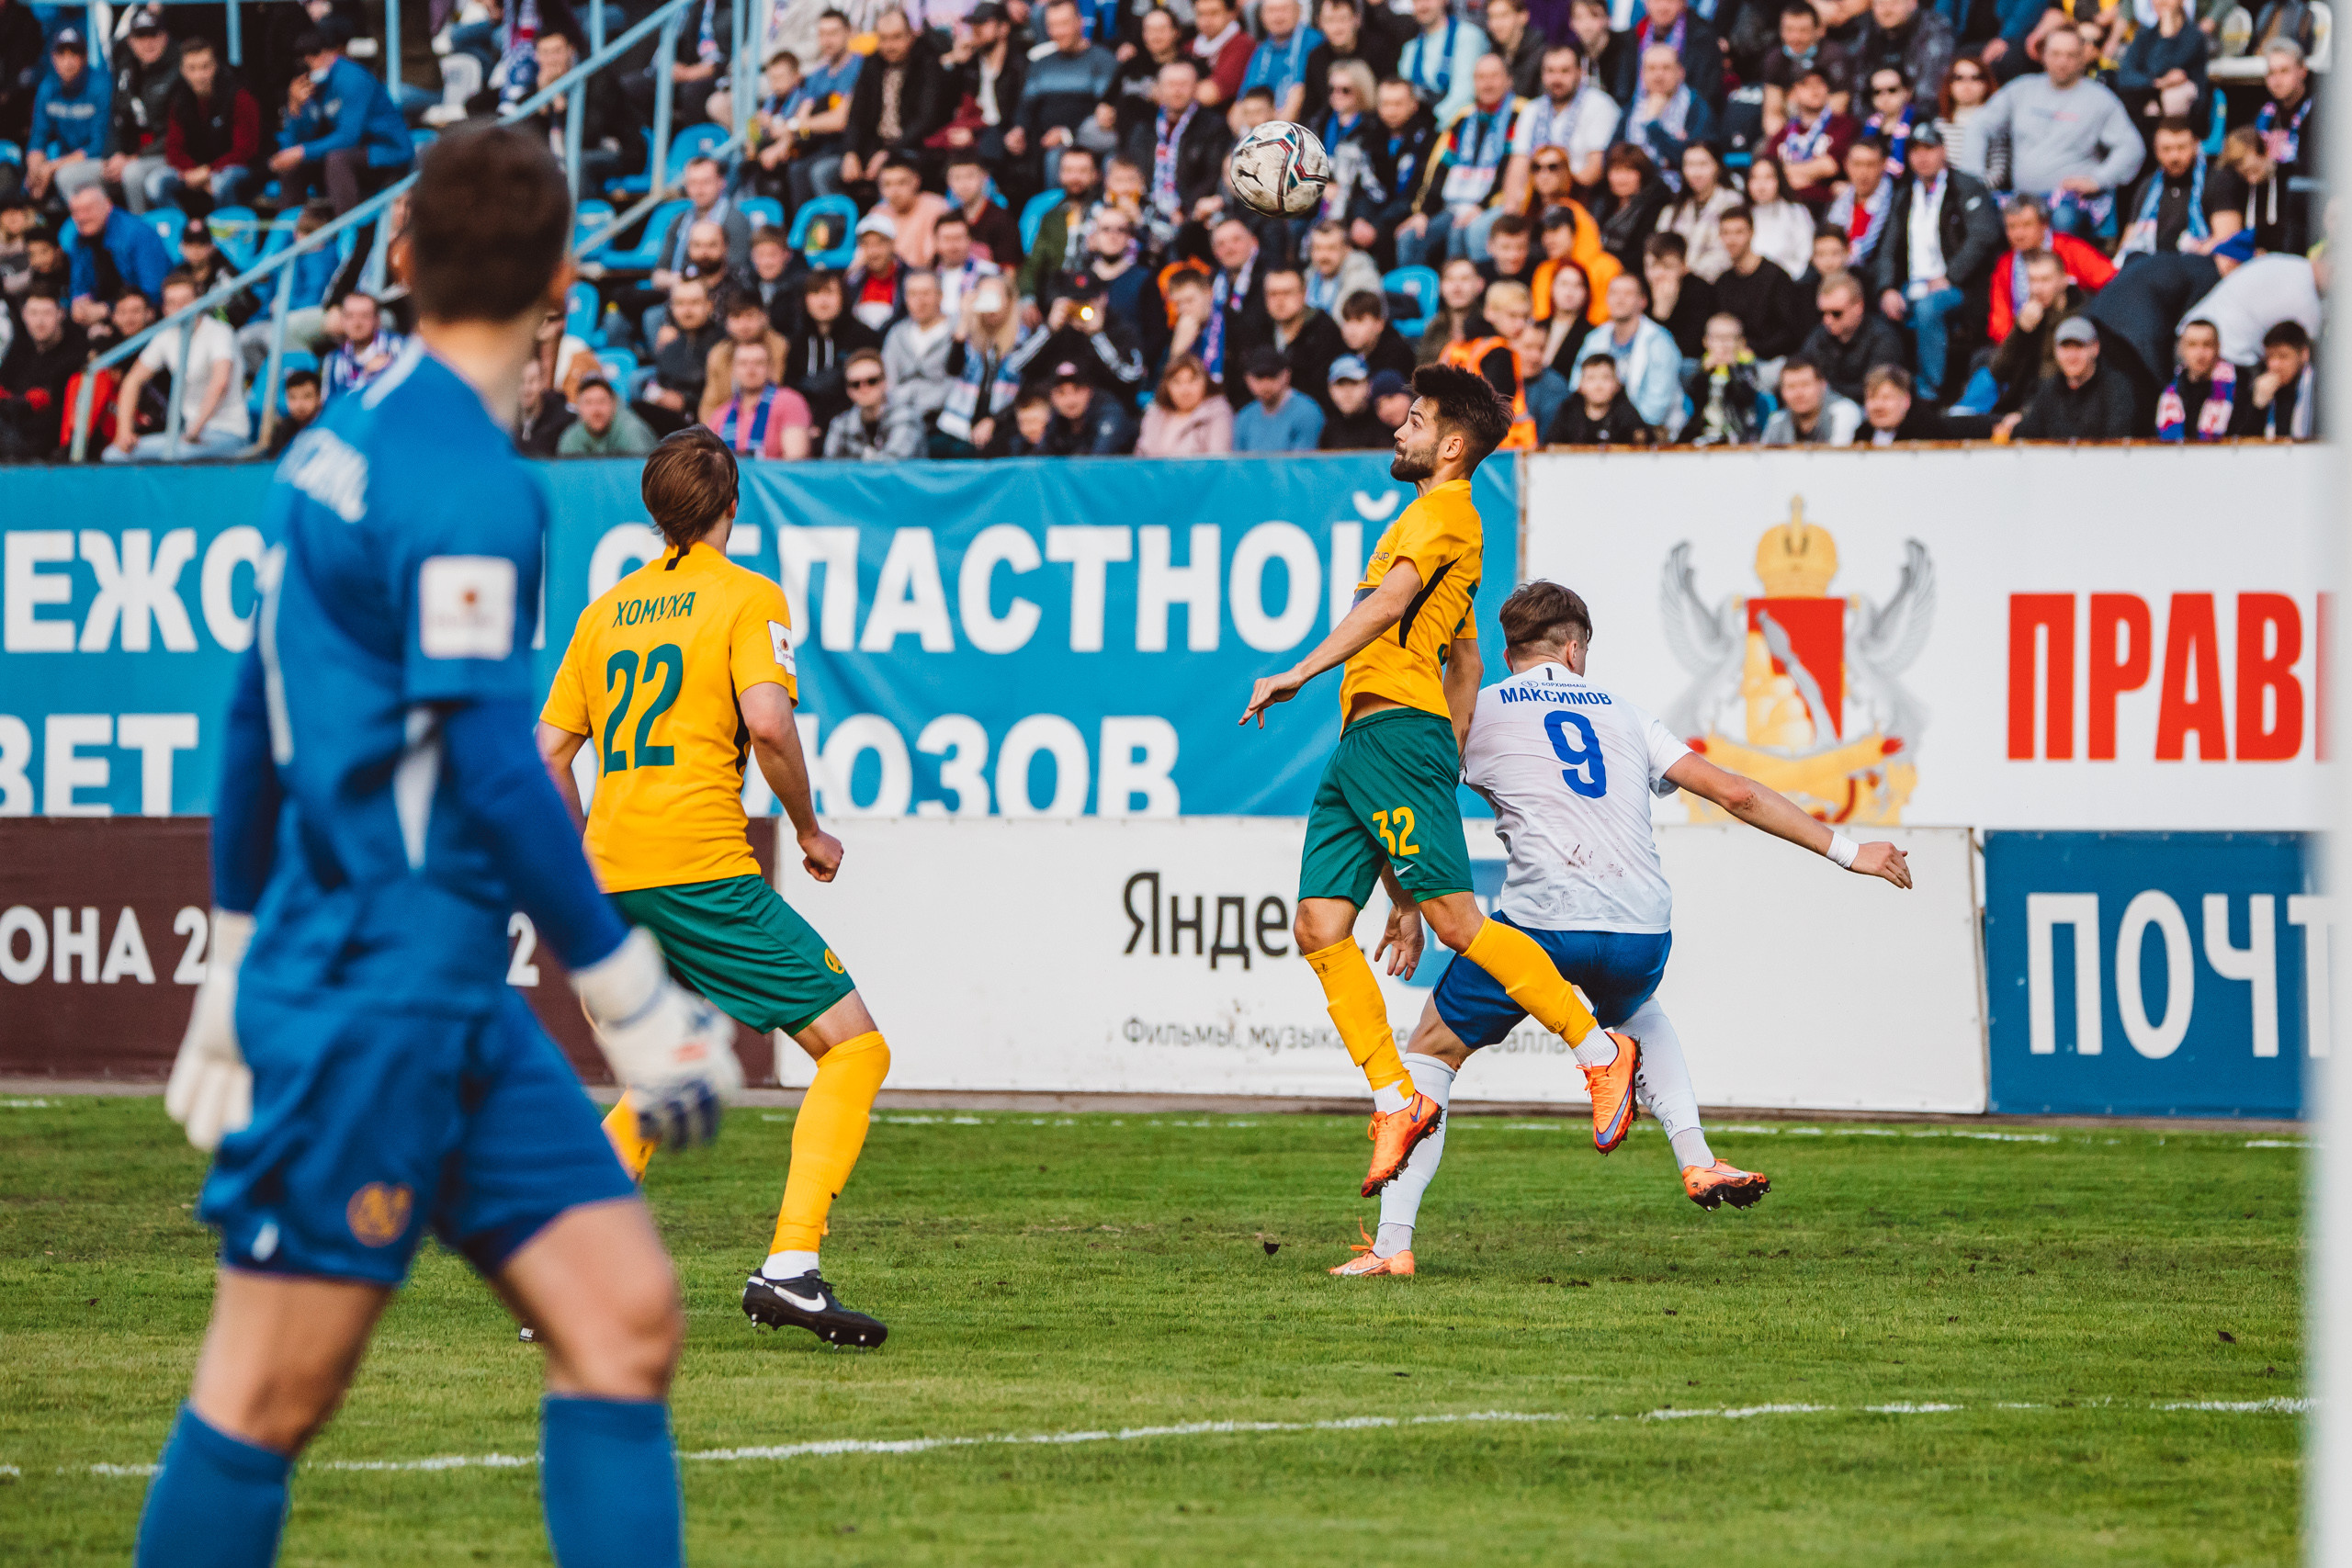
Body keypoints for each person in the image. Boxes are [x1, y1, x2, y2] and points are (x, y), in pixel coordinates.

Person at [140, 125, 741, 1568]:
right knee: (266, 1388)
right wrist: (632, 995)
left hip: (437, 994)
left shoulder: (335, 440)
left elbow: (247, 710)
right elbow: (488, 755)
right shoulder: (469, 482)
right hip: (375, 992)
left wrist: (226, 956)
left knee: (623, 1315)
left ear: (399, 259)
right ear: (563, 279)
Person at [1338, 581, 1912, 1276]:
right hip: (1642, 928)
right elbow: (1736, 791)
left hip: (1541, 925)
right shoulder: (1626, 713)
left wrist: (1405, 905)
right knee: (1635, 1008)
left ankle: (1393, 1244)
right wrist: (1854, 852)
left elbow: (1403, 791)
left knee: (1432, 1049)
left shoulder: (1478, 711)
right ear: (1575, 650)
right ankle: (1697, 1159)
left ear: (1511, 650)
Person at [538, 424, 889, 1348]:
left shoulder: (607, 610)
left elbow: (547, 754)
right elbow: (769, 722)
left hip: (615, 873)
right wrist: (809, 827)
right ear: (731, 505)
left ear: (656, 513)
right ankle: (792, 1266)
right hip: (699, 868)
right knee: (855, 1050)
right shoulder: (745, 595)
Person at [1240, 365, 1618, 1197]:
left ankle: (1597, 1048)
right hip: (1368, 739)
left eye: (1413, 421)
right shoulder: (1442, 520)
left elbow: (1387, 607)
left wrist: (1296, 671)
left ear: (1450, 444)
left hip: (1390, 730)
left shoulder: (1443, 511)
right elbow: (1468, 656)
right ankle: (1395, 1097)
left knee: (1458, 922)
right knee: (1318, 924)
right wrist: (1441, 761)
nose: (1398, 431)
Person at [1870, 121, 1999, 400]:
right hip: (1913, 284)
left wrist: (1950, 276)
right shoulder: (1905, 194)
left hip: (1959, 287)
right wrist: (1886, 288)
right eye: (1915, 151)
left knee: (1929, 308)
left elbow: (1984, 236)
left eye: (1929, 148)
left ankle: (1930, 390)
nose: (1922, 157)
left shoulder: (1965, 186)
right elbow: (1889, 247)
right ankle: (1890, 388)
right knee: (1881, 310)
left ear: (1943, 150)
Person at [1968, 29, 2142, 238]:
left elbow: (2132, 148)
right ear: (2044, 56)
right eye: (2056, 54)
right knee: (1983, 218)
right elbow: (1979, 124)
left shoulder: (2100, 100)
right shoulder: (2021, 89)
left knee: (2063, 219)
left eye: (2070, 55)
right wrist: (1973, 178)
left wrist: (2098, 179)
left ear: (2082, 58)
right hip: (2022, 200)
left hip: (2071, 204)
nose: (2062, 62)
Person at [103, 268, 249, 461]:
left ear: (200, 301)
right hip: (185, 436)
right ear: (165, 308)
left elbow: (220, 383)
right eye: (172, 303)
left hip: (228, 432)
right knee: (114, 455)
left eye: (185, 302)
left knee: (176, 454)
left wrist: (194, 431)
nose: (179, 309)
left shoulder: (220, 333)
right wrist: (124, 432)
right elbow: (133, 380)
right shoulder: (166, 335)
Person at [269, 24, 414, 215]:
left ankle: (348, 234)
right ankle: (286, 234)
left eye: (316, 55)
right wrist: (295, 109)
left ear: (329, 53)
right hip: (351, 154)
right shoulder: (311, 83)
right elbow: (297, 142)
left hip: (387, 152)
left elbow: (348, 137)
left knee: (336, 159)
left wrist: (301, 152)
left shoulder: (353, 78)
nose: (313, 62)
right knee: (294, 166)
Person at [1397, 51, 1522, 269]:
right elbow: (1439, 167)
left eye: (1494, 76)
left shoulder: (1520, 114)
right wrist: (1424, 213)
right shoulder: (1464, 117)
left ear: (1508, 80)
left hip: (1494, 205)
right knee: (1409, 237)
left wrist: (1482, 207)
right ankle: (1412, 300)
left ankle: (1459, 299)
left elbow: (1512, 170)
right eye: (1480, 77)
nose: (1487, 84)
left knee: (1460, 231)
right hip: (1454, 205)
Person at [1006, 0, 1117, 181]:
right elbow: (1026, 104)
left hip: (1083, 143)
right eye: (1052, 26)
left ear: (1080, 22)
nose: (1058, 32)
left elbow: (1103, 114)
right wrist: (1018, 129)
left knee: (1056, 158)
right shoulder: (1041, 64)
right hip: (1041, 140)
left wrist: (1067, 134)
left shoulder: (1102, 61)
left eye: (1064, 24)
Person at [1986, 193, 2114, 344]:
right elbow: (1999, 321)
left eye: (2026, 225)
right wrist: (2017, 337)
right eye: (2012, 227)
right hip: (2024, 343)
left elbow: (2112, 281)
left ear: (2044, 224)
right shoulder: (2005, 264)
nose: (2018, 234)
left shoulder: (2070, 249)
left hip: (2071, 338)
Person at [158, 38, 261, 218]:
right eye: (192, 68)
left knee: (221, 183)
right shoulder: (179, 98)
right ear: (183, 71)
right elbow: (173, 148)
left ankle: (226, 238)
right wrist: (192, 172)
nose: (200, 75)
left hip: (238, 168)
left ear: (215, 67)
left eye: (205, 66)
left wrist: (208, 172)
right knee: (156, 183)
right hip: (196, 170)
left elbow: (245, 151)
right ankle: (187, 236)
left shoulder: (239, 95)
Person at [842, 7, 948, 183]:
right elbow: (856, 114)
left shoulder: (927, 63)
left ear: (911, 36)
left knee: (891, 176)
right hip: (874, 146)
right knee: (824, 171)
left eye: (896, 37)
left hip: (914, 146)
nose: (889, 45)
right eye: (883, 39)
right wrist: (850, 152)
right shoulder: (871, 64)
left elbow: (926, 119)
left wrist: (890, 153)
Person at [1125, 57, 1229, 229]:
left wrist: (1185, 209)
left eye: (1183, 84)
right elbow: (1135, 169)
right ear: (1158, 89)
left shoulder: (1213, 126)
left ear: (1196, 87)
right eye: (1171, 84)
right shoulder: (1143, 126)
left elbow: (1213, 175)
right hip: (1145, 212)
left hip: (1193, 216)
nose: (1177, 90)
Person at [1502, 45, 1618, 201]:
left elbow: (1595, 169)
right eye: (1550, 71)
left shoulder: (1599, 105)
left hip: (1581, 198)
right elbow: (1518, 165)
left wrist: (1556, 194)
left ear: (1580, 72)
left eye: (1564, 71)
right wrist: (1512, 209)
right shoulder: (1532, 109)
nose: (1556, 79)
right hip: (1534, 200)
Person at [1573, 270, 1684, 429]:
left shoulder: (1660, 341)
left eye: (1628, 293)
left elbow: (1657, 408)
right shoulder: (1594, 338)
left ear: (1643, 301)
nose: (1620, 299)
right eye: (1614, 293)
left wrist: (1621, 429)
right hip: (1601, 429)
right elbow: (1578, 386)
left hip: (1652, 437)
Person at [2119, 118, 2236, 259]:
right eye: (2166, 149)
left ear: (2196, 145)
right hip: (2152, 266)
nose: (2174, 156)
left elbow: (2227, 242)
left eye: (2181, 147)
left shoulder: (2216, 180)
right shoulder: (2148, 186)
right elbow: (2128, 243)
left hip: (2197, 265)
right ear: (2156, 150)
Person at [2005, 313, 2133, 438]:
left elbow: (2117, 444)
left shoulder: (2117, 388)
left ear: (2095, 348)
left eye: (2079, 346)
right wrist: (2014, 427)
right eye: (2065, 347)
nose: (2071, 356)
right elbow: (2031, 431)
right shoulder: (2049, 389)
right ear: (2056, 351)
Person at [63, 183, 170, 333]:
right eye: (75, 212)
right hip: (106, 319)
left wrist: (108, 309)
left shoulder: (138, 233)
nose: (81, 217)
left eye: (88, 209)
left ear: (107, 204)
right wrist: (79, 302)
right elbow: (79, 283)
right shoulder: (79, 239)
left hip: (146, 318)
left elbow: (154, 290)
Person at [106, 8, 181, 215]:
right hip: (134, 154)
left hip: (170, 153)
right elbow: (117, 118)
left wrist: (134, 158)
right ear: (130, 41)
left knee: (133, 174)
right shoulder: (126, 70)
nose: (148, 43)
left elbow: (177, 134)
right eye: (141, 36)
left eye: (154, 35)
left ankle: (142, 235)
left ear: (164, 37)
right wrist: (115, 154)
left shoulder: (179, 72)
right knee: (86, 176)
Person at [1712, 206, 1809, 360]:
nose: (1731, 240)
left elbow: (1791, 332)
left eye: (1738, 232)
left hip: (1771, 360)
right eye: (1726, 233)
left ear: (1751, 233)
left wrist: (1753, 350)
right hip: (1731, 360)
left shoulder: (1776, 277)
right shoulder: (1722, 282)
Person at [791, 269, 884, 429]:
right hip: (806, 425)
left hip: (853, 425)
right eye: (815, 293)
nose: (823, 301)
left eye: (829, 293)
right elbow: (791, 389)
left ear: (843, 297)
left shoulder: (863, 337)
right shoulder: (798, 341)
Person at [25, 27, 109, 203]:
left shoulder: (100, 86)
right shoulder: (47, 88)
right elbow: (38, 138)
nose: (68, 62)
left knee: (65, 176)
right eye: (62, 55)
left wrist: (51, 168)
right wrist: (35, 170)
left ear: (85, 57)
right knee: (26, 184)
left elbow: (98, 146)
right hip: (65, 158)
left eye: (74, 55)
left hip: (100, 160)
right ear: (53, 58)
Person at [1800, 269, 1908, 403]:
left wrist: (1824, 391)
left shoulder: (1883, 337)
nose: (1827, 320)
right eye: (1822, 313)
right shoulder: (1819, 335)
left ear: (1858, 307)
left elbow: (1873, 390)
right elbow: (1803, 370)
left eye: (1836, 313)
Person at [1769, 65, 1859, 218]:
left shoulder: (1844, 124)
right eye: (1805, 85)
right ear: (1793, 93)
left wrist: (1784, 174)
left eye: (1820, 83)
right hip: (1786, 210)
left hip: (1827, 209)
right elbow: (1768, 171)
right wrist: (1810, 173)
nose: (1814, 89)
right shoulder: (1783, 134)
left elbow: (1830, 166)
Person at [707, 335, 815, 457]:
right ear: (734, 370)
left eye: (758, 363)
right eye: (743, 363)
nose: (750, 370)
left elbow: (795, 459)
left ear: (770, 368)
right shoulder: (721, 414)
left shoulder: (790, 401)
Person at [1760, 0, 1852, 140]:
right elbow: (1772, 112)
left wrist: (1809, 141)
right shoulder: (1775, 59)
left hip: (1827, 132)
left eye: (1803, 30)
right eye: (1789, 30)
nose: (1795, 37)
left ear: (1819, 30)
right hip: (1789, 132)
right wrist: (1781, 141)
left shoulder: (1833, 55)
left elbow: (1838, 107)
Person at [2154, 319, 2255, 442]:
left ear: (2218, 347)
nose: (2200, 354)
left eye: (2207, 345)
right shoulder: (2169, 393)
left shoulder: (2239, 390)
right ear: (2181, 349)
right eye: (2192, 345)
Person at [1680, 312, 1770, 445]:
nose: (1723, 344)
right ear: (1705, 341)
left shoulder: (1752, 368)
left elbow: (1746, 398)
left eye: (1730, 338)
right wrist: (1704, 372)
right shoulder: (1694, 369)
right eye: (1717, 337)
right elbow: (1692, 400)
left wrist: (1734, 370)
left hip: (1742, 441)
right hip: (1702, 440)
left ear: (1741, 342)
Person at [1396, 0, 1489, 125]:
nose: (1423, 5)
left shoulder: (1469, 37)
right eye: (1416, 1)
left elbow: (1465, 94)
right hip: (1418, 133)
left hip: (1459, 130)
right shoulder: (1410, 49)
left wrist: (1429, 127)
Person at [1614, 0, 1723, 107]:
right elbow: (1623, 92)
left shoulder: (1704, 39)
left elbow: (1706, 93)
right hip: (1637, 114)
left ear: (1683, 3)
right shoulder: (1633, 38)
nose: (1663, 7)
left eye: (1670, 1)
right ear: (1646, 4)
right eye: (1656, 1)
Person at [1849, 0, 1952, 109]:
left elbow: (1928, 93)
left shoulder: (1933, 28)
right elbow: (1857, 90)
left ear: (1913, 4)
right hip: (1875, 117)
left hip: (1917, 116)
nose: (1886, 11)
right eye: (1880, 4)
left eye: (1894, 3)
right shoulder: (1865, 29)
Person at [823, 345, 923, 457]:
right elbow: (829, 468)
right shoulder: (840, 425)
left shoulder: (906, 418)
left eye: (872, 381)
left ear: (884, 382)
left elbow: (894, 464)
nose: (864, 389)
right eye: (856, 384)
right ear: (848, 390)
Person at [1659, 141, 1738, 282]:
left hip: (1715, 285)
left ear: (1717, 167)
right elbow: (1659, 248)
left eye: (1703, 164)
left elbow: (1728, 252)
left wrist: (1689, 272)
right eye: (1689, 165)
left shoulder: (1731, 203)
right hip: (1674, 282)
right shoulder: (1673, 209)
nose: (1695, 173)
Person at [1860, 361, 1993, 440]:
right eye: (1872, 398)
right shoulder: (1860, 436)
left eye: (1886, 398)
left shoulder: (1930, 434)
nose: (1878, 405)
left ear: (1906, 400)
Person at [1233, 343, 1328, 450]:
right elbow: (1238, 464)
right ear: (1247, 379)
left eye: (1272, 376)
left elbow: (1302, 464)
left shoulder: (1307, 412)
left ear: (1286, 375)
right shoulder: (1244, 417)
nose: (1266, 385)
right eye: (1259, 377)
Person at [1135, 350, 1234, 453]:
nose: (1185, 390)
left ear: (1205, 382)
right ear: (1166, 386)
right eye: (1177, 382)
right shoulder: (1154, 415)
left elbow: (1217, 462)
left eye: (1192, 380)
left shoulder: (1218, 413)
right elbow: (1140, 460)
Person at [1242, 0, 1324, 122]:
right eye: (1272, 11)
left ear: (1298, 11)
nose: (1278, 16)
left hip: (1299, 129)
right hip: (1260, 127)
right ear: (1261, 16)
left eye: (1284, 9)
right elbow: (1242, 99)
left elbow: (1299, 94)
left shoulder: (1315, 43)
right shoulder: (1261, 50)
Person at [1642, 231, 1716, 360]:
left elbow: (1691, 347)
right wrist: (1659, 315)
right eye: (1652, 266)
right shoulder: (1640, 289)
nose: (1659, 273)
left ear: (1683, 266)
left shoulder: (1699, 290)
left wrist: (1663, 314)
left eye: (1667, 266)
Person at [1825, 135, 1894, 268]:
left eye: (1870, 165)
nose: (1863, 172)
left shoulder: (1895, 203)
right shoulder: (1838, 202)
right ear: (1847, 165)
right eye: (1857, 164)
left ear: (1883, 165)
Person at [320, 289, 405, 400]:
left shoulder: (399, 347)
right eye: (350, 316)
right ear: (342, 320)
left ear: (377, 319)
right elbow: (329, 408)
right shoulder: (333, 361)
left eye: (365, 316)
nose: (357, 323)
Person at [1040, 357, 1138, 451]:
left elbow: (1098, 461)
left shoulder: (1109, 412)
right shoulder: (1055, 417)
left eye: (1077, 389)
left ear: (1090, 390)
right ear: (1052, 396)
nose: (1070, 400)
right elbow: (1039, 456)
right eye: (1061, 392)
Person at [1760, 351, 1862, 442]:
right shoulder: (1777, 421)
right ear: (1782, 391)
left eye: (1805, 385)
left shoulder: (1843, 412)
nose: (1798, 394)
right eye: (1791, 387)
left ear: (1823, 385)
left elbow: (1838, 458)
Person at [2245, 318, 2315, 440]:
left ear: (2304, 354)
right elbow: (2244, 444)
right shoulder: (2258, 385)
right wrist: (2258, 407)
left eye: (2283, 356)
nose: (2274, 365)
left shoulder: (2320, 390)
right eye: (2270, 357)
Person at [559, 374, 661, 455]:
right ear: (579, 408)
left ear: (614, 404)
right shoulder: (571, 438)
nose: (596, 410)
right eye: (588, 403)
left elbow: (642, 475)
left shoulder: (631, 430)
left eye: (602, 401)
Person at [1935, 50, 1993, 180]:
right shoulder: (1938, 124)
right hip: (1947, 193)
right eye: (1959, 78)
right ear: (1949, 84)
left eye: (1975, 78)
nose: (1967, 85)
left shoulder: (1996, 123)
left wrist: (1971, 190)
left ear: (1986, 84)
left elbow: (1998, 172)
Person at [1318, 353, 1393, 447]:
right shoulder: (1329, 428)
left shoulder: (1384, 424)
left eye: (1354, 383)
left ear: (1368, 386)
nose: (1347, 392)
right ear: (1330, 389)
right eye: (1340, 384)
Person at [513, 354, 575, 456]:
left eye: (532, 381)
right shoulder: (502, 420)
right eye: (521, 381)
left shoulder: (563, 421)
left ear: (542, 382)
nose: (526, 388)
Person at [261, 368, 322, 458]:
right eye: (292, 397)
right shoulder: (283, 430)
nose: (299, 405)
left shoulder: (328, 430)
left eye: (307, 396)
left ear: (319, 397)